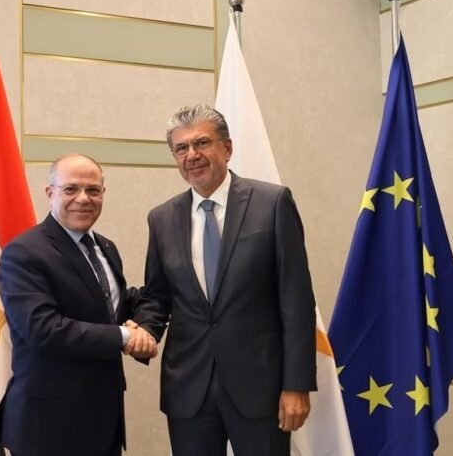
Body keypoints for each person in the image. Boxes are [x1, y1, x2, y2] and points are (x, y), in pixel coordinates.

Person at [133, 104, 317, 456]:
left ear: (227, 148)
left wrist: (297, 385)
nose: (192, 155)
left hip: (260, 388)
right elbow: (158, 296)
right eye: (181, 148)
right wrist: (143, 331)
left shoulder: (272, 203)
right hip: (189, 389)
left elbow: (296, 301)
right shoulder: (161, 218)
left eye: (202, 143)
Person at [0, 154, 156, 456]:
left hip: (103, 422)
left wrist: (147, 324)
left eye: (93, 190)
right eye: (70, 189)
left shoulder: (105, 247)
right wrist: (125, 336)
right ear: (50, 193)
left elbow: (115, 304)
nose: (83, 198)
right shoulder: (24, 252)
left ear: (103, 194)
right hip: (49, 428)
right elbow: (44, 329)